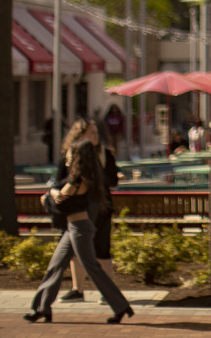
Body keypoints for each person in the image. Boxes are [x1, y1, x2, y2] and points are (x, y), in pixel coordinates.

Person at [24, 137, 134, 325]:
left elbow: (62, 200)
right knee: (55, 266)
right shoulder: (79, 176)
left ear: (78, 156)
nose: (66, 156)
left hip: (80, 229)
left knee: (92, 268)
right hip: (72, 229)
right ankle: (42, 308)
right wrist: (53, 193)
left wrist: (49, 197)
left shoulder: (80, 178)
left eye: (69, 153)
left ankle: (121, 306)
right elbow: (58, 192)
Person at [63, 121, 121, 302]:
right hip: (80, 209)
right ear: (80, 136)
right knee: (76, 249)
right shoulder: (71, 156)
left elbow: (113, 180)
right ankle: (77, 289)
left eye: (97, 133)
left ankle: (107, 292)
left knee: (102, 249)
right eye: (91, 133)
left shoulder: (105, 155)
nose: (96, 136)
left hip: (102, 208)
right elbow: (63, 180)